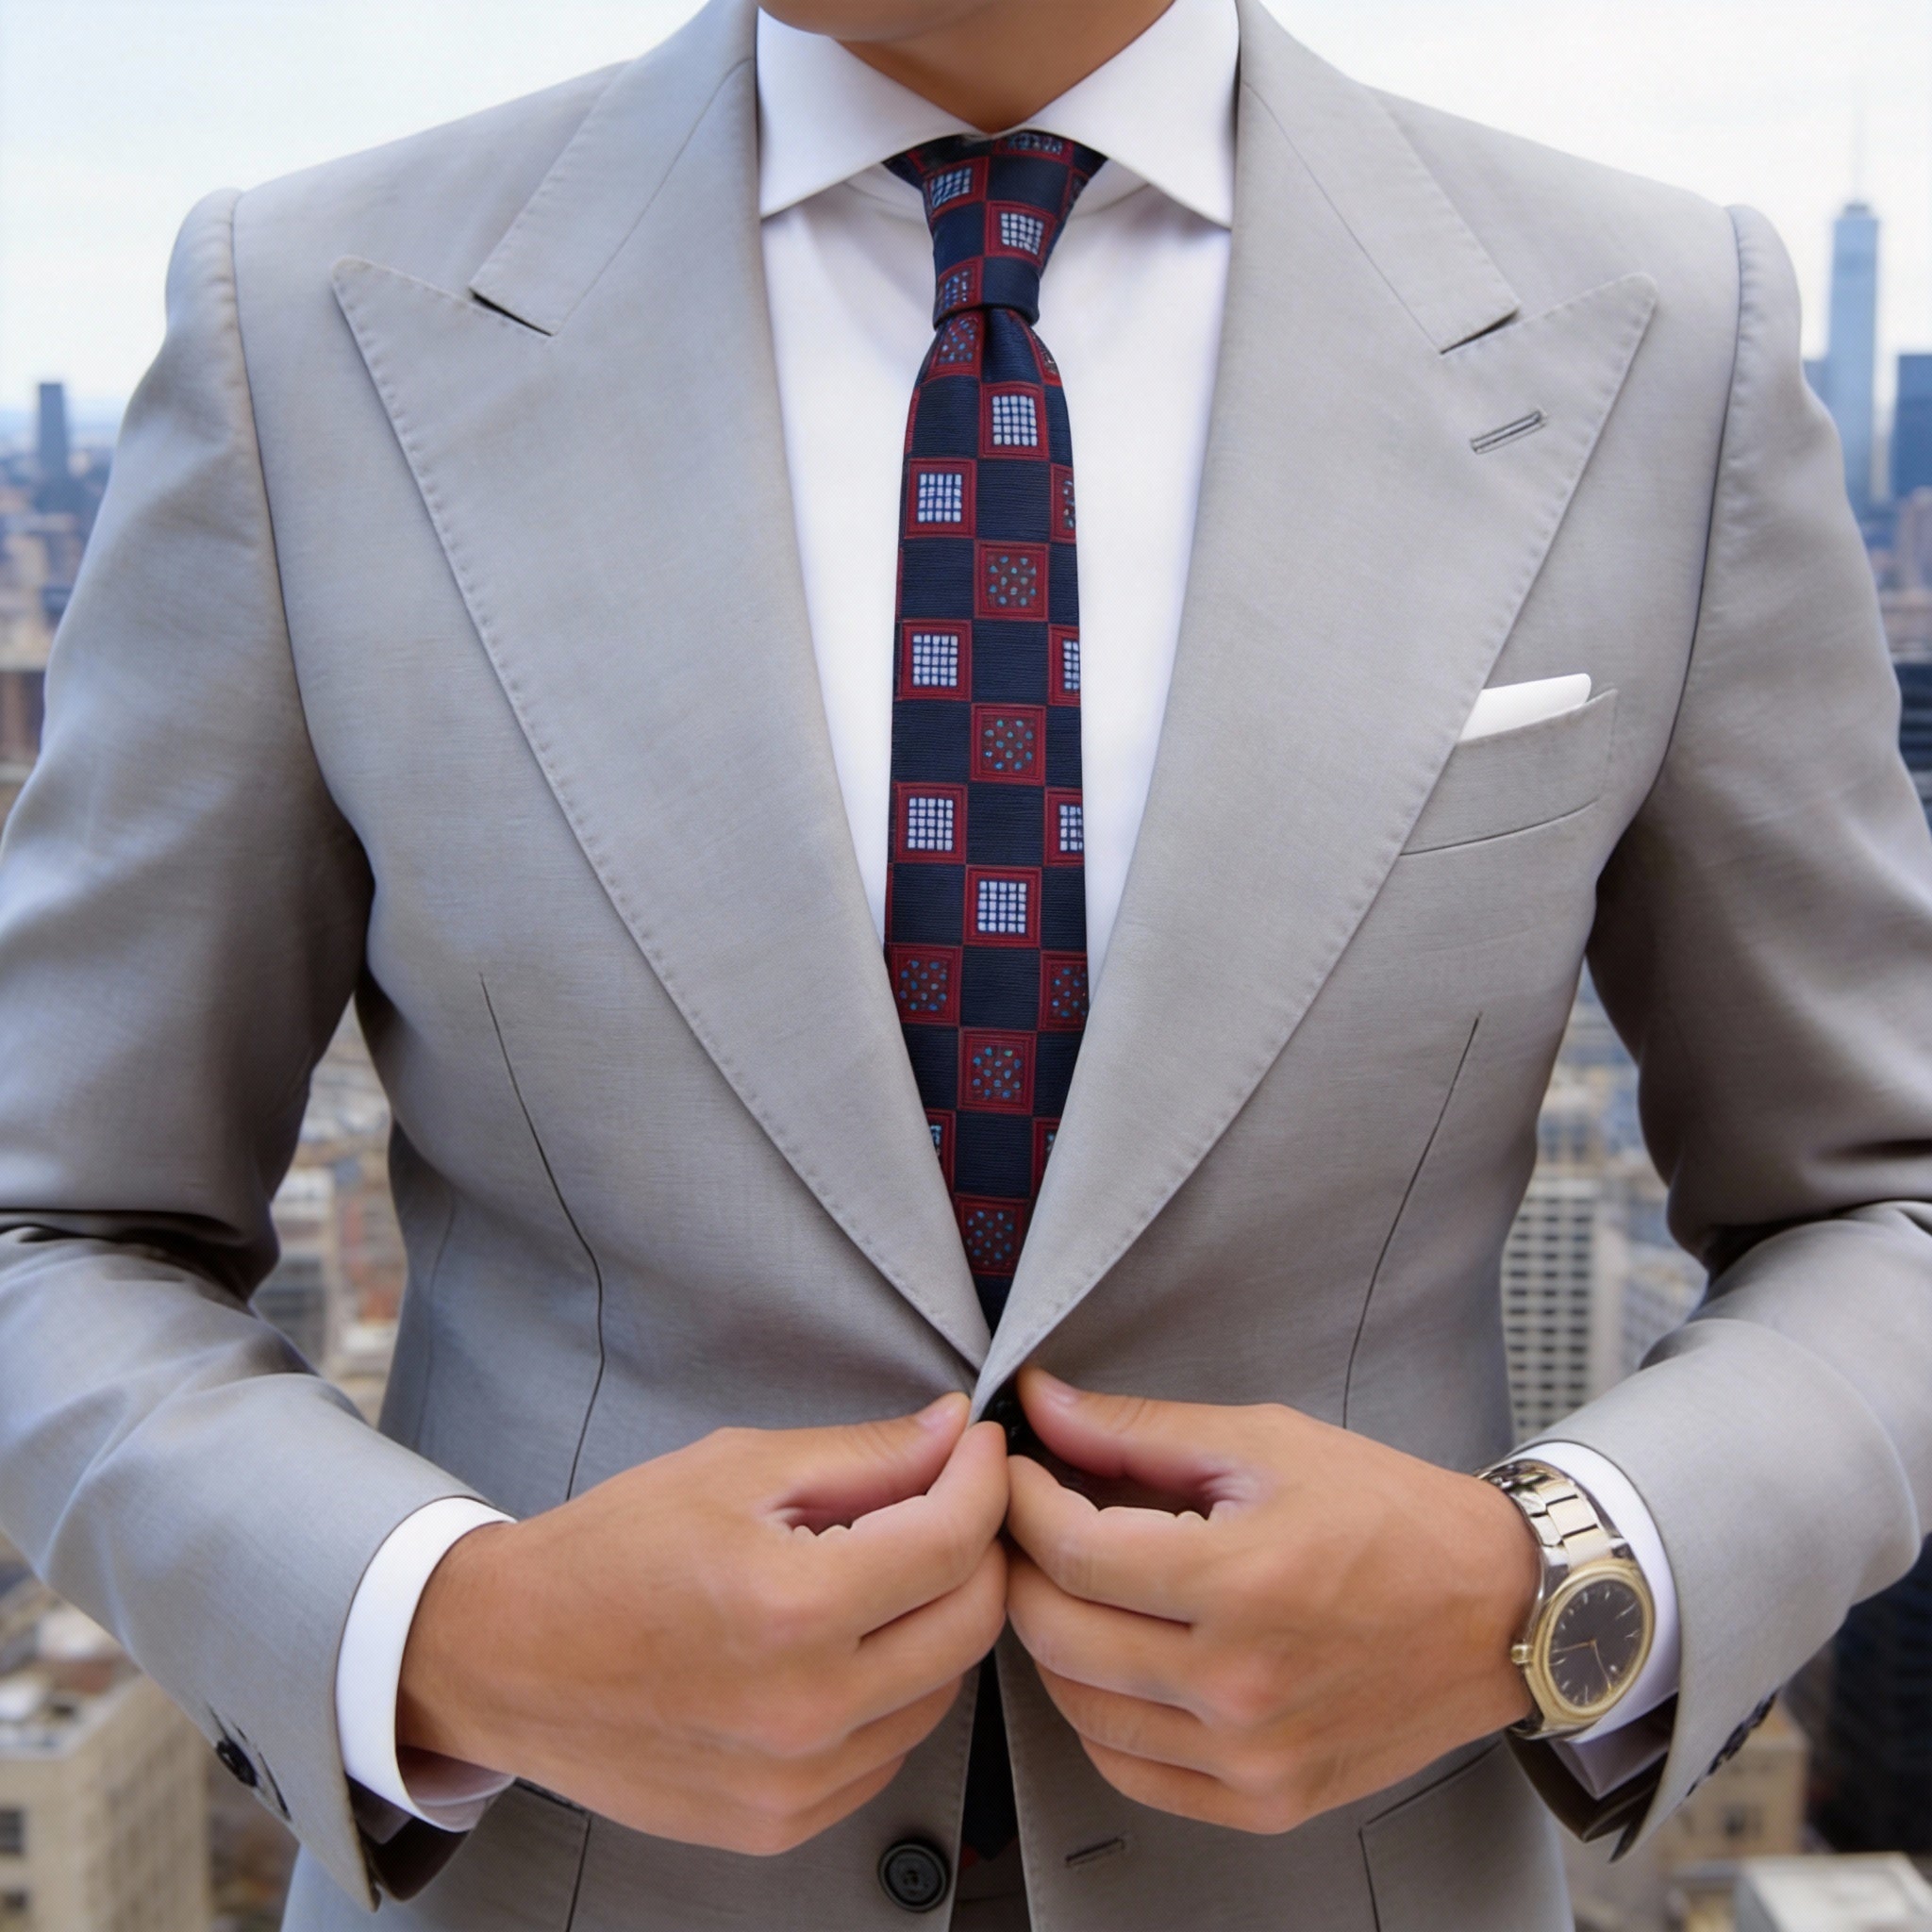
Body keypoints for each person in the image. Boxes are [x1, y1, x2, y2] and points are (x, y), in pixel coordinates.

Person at [0, 0, 1928, 1924]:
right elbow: (55, 1229)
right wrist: (454, 1630)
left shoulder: (1659, 333)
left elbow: (1881, 1205)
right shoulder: (310, 323)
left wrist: (1547, 1588)